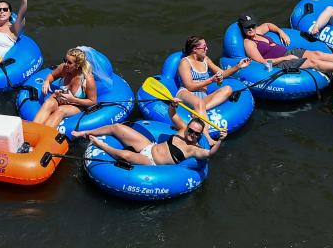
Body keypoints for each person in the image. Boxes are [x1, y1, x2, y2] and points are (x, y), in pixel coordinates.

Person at [72, 99, 225, 166]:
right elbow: (173, 115)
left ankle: (99, 144)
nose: (192, 134)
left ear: (199, 135)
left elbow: (209, 154)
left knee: (125, 155)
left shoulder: (194, 149)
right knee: (117, 127)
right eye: (191, 130)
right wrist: (173, 105)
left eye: (196, 133)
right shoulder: (183, 129)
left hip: (152, 163)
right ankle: (85, 132)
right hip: (149, 147)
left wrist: (220, 140)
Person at [238, 15, 333, 73]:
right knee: (313, 62)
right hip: (281, 63)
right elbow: (263, 62)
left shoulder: (257, 32)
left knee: (317, 53)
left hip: (289, 53)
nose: (251, 29)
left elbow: (268, 25)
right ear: (242, 29)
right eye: (247, 28)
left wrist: (281, 32)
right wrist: (286, 58)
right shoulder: (249, 43)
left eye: (252, 25)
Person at [176, 35, 251, 117]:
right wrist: (211, 80)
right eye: (204, 47)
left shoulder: (205, 60)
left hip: (203, 96)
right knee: (199, 103)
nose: (207, 49)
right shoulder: (185, 62)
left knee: (228, 89)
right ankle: (200, 111)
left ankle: (200, 111)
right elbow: (189, 86)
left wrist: (238, 66)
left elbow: (222, 73)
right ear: (194, 49)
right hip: (186, 94)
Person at [33, 47, 98, 130]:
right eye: (65, 60)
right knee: (48, 103)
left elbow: (93, 102)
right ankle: (32, 131)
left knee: (60, 110)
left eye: (69, 63)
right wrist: (47, 81)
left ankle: (43, 136)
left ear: (77, 65)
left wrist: (73, 99)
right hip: (61, 96)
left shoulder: (87, 79)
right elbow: (52, 76)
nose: (66, 64)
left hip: (77, 104)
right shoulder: (63, 68)